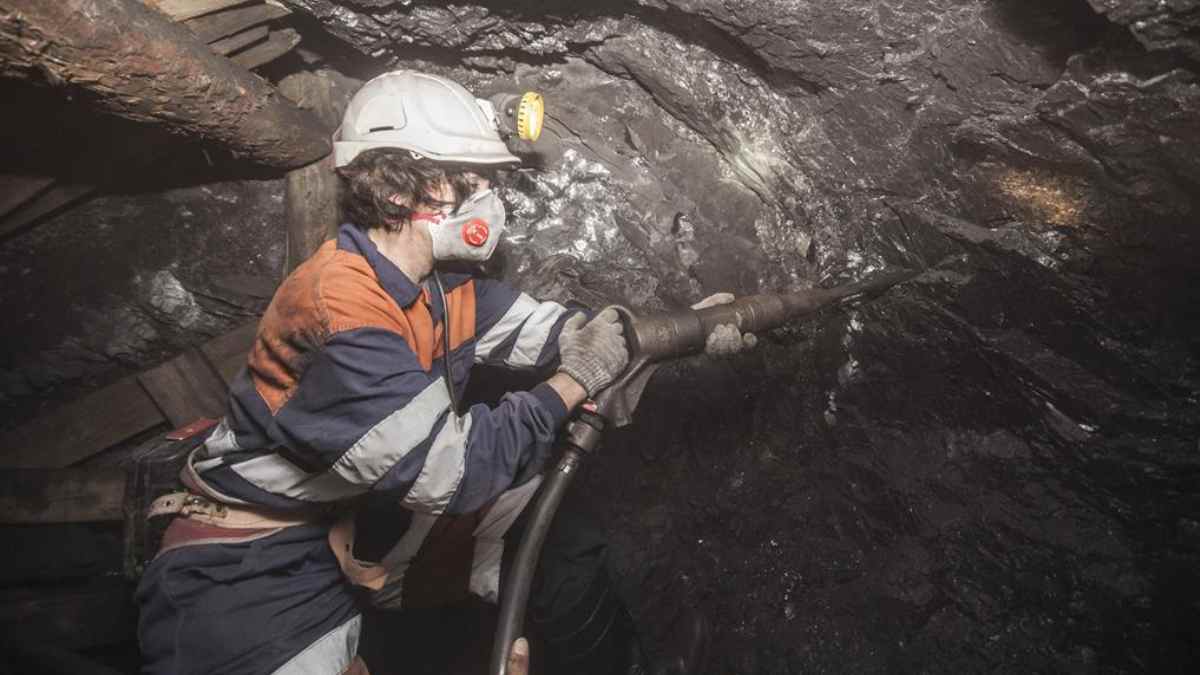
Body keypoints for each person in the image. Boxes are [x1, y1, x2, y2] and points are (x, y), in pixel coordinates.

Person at [136, 71, 750, 675]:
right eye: (469, 178)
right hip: (244, 578)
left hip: (341, 528)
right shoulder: (341, 309)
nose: (489, 196)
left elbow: (559, 332)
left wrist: (677, 332)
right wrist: (575, 382)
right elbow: (452, 471)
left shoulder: (440, 285)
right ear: (402, 192)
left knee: (553, 531)